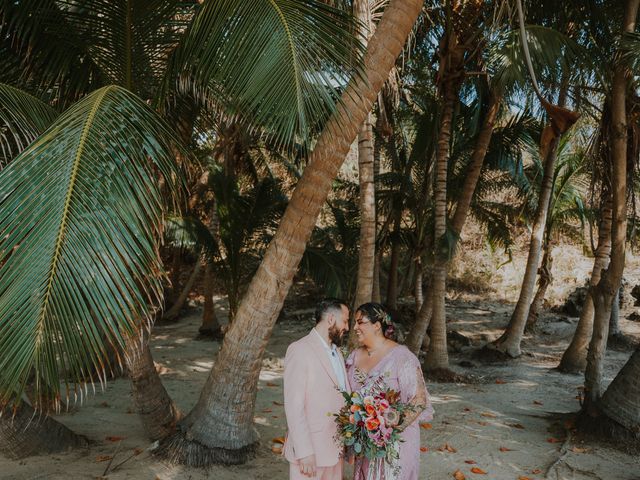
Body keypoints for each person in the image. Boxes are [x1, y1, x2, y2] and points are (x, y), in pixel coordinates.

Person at [346, 302, 434, 480]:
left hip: (396, 444)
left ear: (377, 325)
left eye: (360, 322)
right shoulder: (354, 356)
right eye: (354, 322)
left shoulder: (402, 357)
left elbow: (419, 400)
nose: (354, 327)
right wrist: (358, 437)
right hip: (365, 444)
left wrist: (385, 432)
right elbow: (349, 399)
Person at [283, 298, 351, 479]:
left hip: (335, 450)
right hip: (310, 452)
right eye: (345, 321)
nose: (347, 327)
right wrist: (304, 452)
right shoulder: (299, 349)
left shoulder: (337, 352)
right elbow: (293, 405)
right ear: (330, 319)